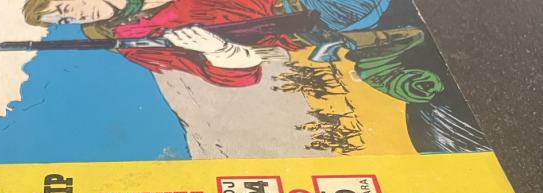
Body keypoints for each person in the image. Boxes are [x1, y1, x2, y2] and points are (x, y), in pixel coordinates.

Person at [22, 0, 393, 87]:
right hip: (313, 18)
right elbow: (234, 76)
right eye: (66, 21)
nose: (75, 16)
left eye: (65, 7)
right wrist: (222, 52)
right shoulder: (136, 43)